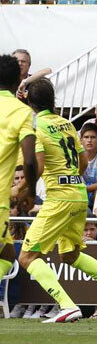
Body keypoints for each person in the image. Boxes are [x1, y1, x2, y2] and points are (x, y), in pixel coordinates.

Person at [17, 78, 97, 324]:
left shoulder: (38, 126)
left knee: (26, 257)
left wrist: (21, 188)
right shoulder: (67, 125)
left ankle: (67, 305)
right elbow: (82, 162)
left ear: (30, 101)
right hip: (79, 196)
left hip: (59, 198)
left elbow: (36, 167)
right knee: (69, 255)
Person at [0, 55, 37, 292]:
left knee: (7, 252)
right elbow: (30, 160)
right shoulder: (21, 112)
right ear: (18, 82)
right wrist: (31, 191)